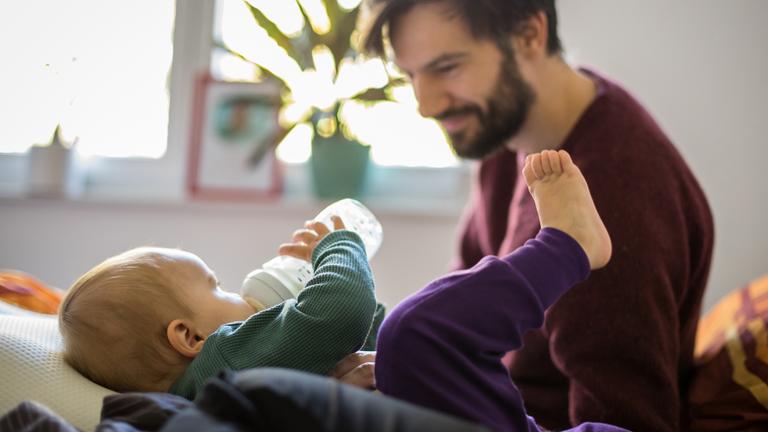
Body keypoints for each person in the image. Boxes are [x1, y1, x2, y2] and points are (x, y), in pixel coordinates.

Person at [361, 1, 714, 430]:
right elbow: (461, 300)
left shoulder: (612, 191)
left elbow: (626, 419)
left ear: (529, 36)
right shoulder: (509, 133)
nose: (426, 104)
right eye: (411, 75)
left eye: (447, 68)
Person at [58, 216, 383, 399]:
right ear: (191, 337)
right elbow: (342, 312)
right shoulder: (227, 356)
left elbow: (339, 336)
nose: (234, 291)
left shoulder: (202, 388)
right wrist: (339, 245)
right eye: (218, 287)